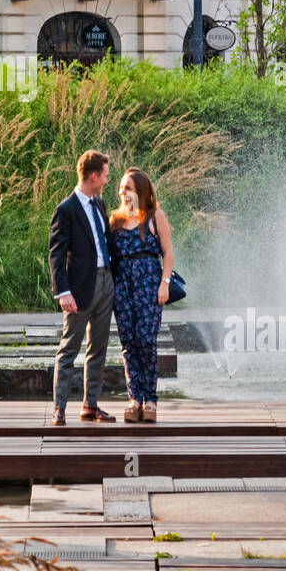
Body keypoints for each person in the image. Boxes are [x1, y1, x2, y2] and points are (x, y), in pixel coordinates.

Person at [48, 149, 118, 426]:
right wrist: (62, 292)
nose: (106, 181)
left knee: (98, 347)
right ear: (93, 176)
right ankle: (59, 409)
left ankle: (90, 406)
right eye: (104, 176)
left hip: (105, 283)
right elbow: (55, 253)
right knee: (69, 349)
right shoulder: (66, 209)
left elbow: (107, 243)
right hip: (79, 290)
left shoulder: (99, 205)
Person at [109, 168, 174, 424]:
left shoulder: (155, 216)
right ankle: (134, 399)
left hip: (149, 284)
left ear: (141, 191)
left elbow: (168, 253)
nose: (123, 193)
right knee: (128, 343)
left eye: (128, 188)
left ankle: (151, 400)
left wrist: (164, 284)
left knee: (147, 341)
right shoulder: (114, 221)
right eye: (121, 188)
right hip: (122, 285)